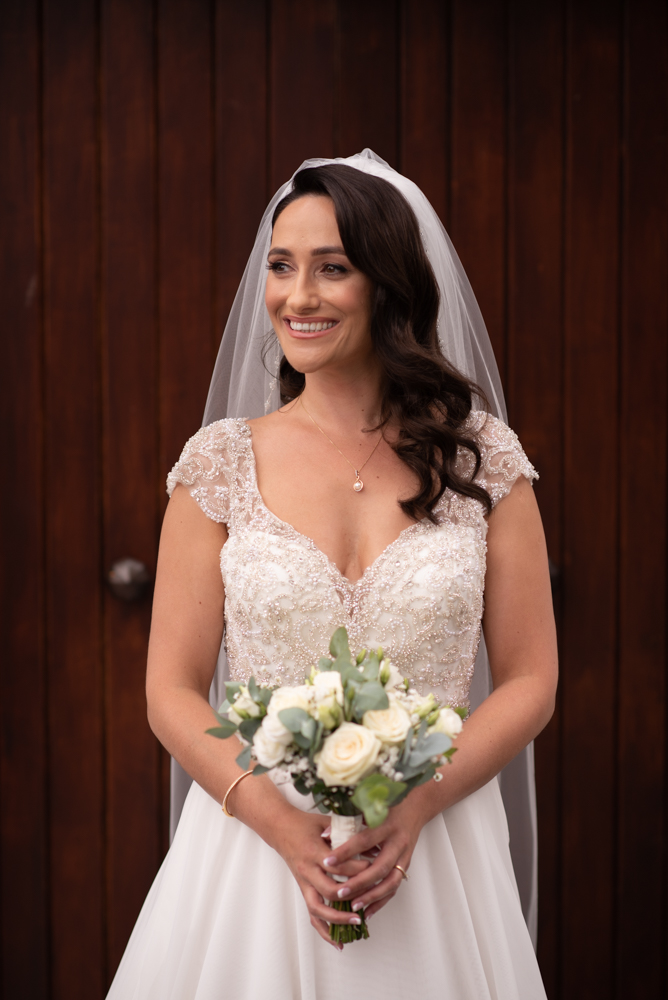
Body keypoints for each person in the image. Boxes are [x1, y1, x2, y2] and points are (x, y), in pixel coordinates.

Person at [107, 150, 557, 999]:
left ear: (387, 284)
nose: (295, 296)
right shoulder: (220, 467)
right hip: (254, 853)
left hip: (438, 845)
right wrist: (280, 827)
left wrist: (419, 802)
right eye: (281, 267)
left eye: (331, 269)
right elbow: (169, 688)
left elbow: (533, 677)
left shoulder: (484, 459)